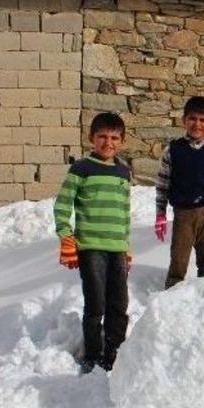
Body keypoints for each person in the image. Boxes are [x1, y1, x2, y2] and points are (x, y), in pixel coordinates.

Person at [54, 112, 131, 374]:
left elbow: (124, 212)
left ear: (121, 141)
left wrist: (126, 246)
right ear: (91, 138)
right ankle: (93, 355)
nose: (108, 142)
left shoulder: (123, 171)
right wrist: (66, 237)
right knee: (96, 303)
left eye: (114, 137)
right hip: (91, 248)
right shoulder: (81, 169)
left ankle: (115, 354)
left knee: (119, 304)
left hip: (117, 249)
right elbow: (63, 205)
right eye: (102, 137)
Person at [154, 96, 204, 289]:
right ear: (184, 120)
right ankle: (172, 295)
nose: (197, 124)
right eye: (192, 118)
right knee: (179, 260)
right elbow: (163, 183)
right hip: (184, 214)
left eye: (203, 120)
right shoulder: (173, 150)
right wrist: (160, 214)